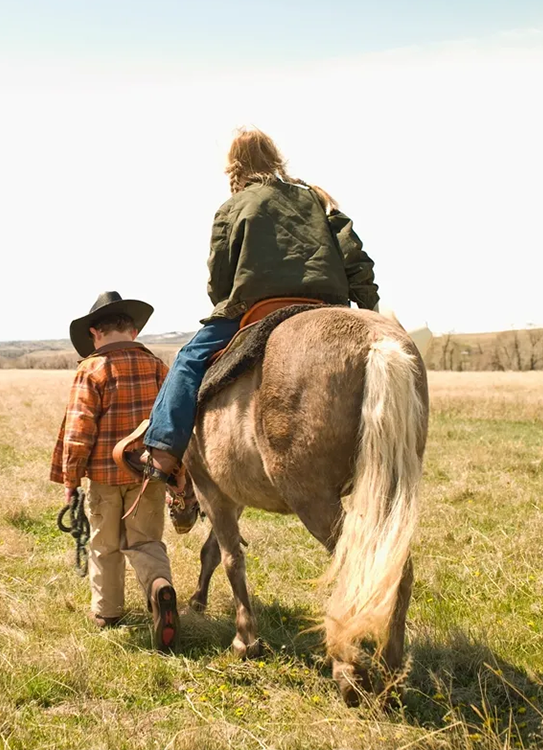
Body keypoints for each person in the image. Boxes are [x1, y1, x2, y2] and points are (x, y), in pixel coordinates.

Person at [141, 127, 380, 483]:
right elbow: (354, 256)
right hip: (326, 306)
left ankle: (162, 450)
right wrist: (368, 310)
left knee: (188, 360)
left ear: (234, 167)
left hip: (259, 309)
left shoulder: (233, 206)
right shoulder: (317, 198)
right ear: (275, 158)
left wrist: (226, 303)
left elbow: (219, 276)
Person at [50, 291, 180, 651]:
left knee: (104, 546)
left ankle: (108, 613)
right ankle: (159, 588)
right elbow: (174, 422)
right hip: (149, 477)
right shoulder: (157, 366)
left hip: (105, 479)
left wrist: (70, 481)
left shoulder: (92, 369)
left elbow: (79, 431)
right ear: (133, 332)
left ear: (95, 334)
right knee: (146, 542)